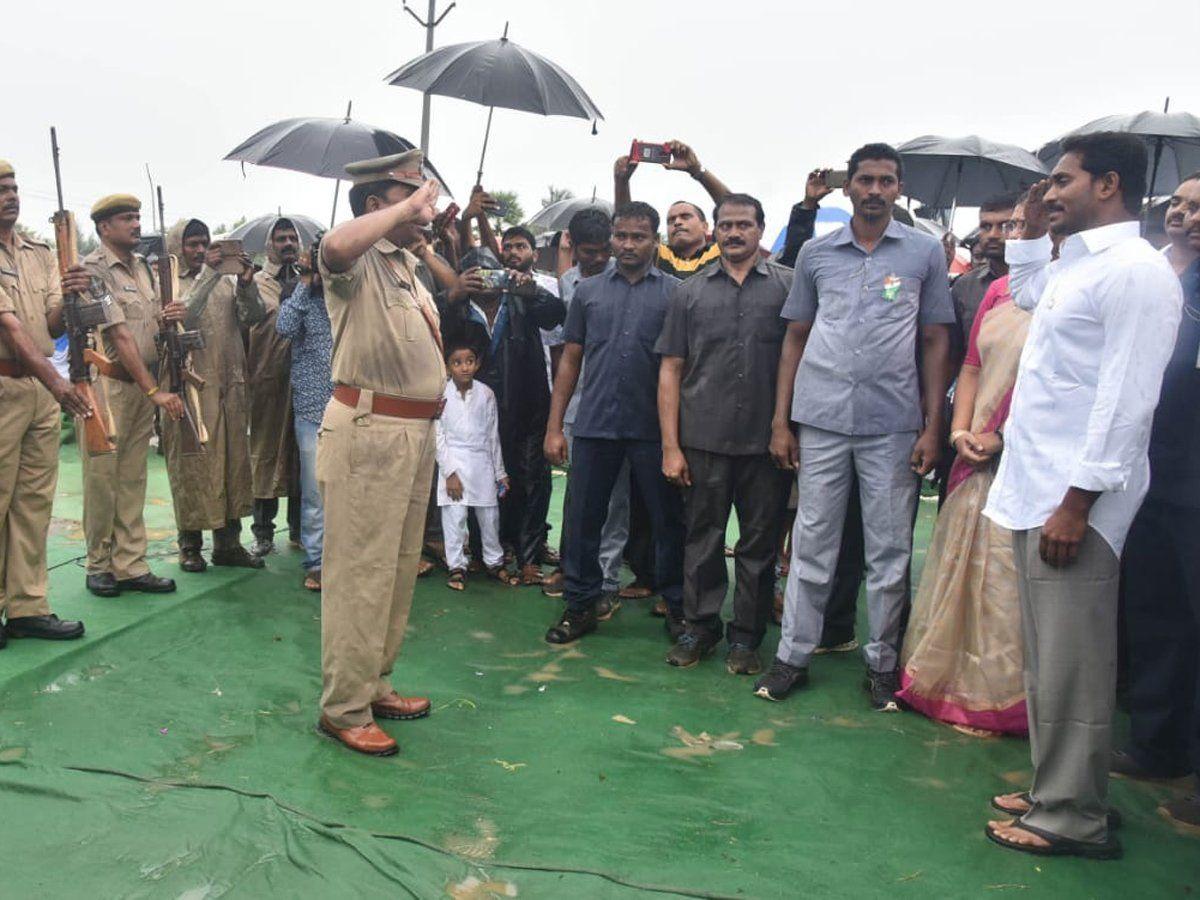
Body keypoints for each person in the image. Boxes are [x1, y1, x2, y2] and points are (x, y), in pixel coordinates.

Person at [982, 133, 1181, 859]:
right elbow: (1031, 297)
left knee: (1075, 664)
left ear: (1108, 185)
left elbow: (1128, 400)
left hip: (1076, 501)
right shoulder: (1080, 264)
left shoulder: (1136, 272)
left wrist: (1078, 501)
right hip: (1040, 488)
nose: (1049, 192)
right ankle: (1056, 786)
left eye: (1061, 182)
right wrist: (1031, 236)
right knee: (1048, 661)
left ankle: (1073, 818)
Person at [756, 143, 955, 710]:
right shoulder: (818, 255)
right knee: (813, 543)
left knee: (890, 552)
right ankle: (792, 655)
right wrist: (780, 421)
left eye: (885, 181)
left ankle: (884, 664)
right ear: (849, 188)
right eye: (864, 180)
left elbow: (936, 339)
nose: (873, 190)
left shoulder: (922, 255)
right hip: (819, 420)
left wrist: (931, 427)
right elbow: (794, 336)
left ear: (898, 189)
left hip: (893, 424)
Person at [314, 150, 443, 757]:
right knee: (359, 573)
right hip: (370, 430)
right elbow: (333, 249)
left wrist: (414, 228)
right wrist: (403, 216)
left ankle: (375, 682)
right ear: (376, 206)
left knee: (394, 568)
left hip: (412, 435)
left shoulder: (404, 267)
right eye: (411, 195)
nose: (426, 204)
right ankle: (343, 707)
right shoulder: (358, 260)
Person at [896, 197, 1032, 736]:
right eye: (1007, 224)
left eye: (1021, 224)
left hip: (1023, 457)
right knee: (959, 564)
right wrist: (960, 430)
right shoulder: (997, 291)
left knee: (1003, 577)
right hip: (973, 446)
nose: (1012, 234)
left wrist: (1001, 435)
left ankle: (999, 694)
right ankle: (943, 677)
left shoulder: (1068, 292)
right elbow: (971, 365)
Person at [657, 193, 791, 674]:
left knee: (759, 544)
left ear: (760, 230)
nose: (735, 234)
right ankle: (699, 628)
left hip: (765, 444)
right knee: (702, 540)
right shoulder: (688, 293)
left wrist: (785, 428)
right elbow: (671, 368)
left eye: (745, 225)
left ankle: (746, 638)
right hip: (703, 441)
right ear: (713, 232)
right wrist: (671, 446)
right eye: (727, 225)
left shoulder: (787, 289)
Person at [544, 202, 685, 644]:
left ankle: (679, 609)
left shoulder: (676, 294)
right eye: (620, 236)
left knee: (666, 522)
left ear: (654, 242)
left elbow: (680, 367)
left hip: (651, 430)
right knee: (584, 520)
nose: (626, 245)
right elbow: (570, 359)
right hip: (594, 425)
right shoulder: (587, 292)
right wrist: (554, 426)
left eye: (637, 237)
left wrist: (673, 441)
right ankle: (581, 604)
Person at [1109, 172, 1200, 831]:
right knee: (1154, 610)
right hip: (1150, 475)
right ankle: (1156, 743)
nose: (1188, 217)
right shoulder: (1148, 271)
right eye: (1182, 204)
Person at [0, 159, 89, 645]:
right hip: (6, 386)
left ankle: (27, 606)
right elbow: (11, 328)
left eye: (14, 187)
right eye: (1, 189)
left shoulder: (36, 252)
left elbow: (50, 324)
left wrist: (69, 296)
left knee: (33, 502)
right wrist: (58, 383)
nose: (11, 195)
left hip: (37, 391)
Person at [438, 245, 565, 586]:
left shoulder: (522, 300)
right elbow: (435, 322)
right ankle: (483, 554)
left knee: (530, 482)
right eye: (476, 274)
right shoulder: (460, 308)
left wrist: (532, 289)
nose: (486, 280)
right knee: (481, 482)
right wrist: (453, 293)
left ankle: (528, 557)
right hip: (477, 413)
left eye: (491, 271)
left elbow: (557, 314)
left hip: (528, 407)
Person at [81, 194, 184, 598]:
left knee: (132, 477)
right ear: (105, 227)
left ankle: (130, 563)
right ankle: (98, 564)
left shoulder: (143, 269)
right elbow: (119, 335)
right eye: (127, 218)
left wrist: (169, 317)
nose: (137, 225)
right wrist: (155, 390)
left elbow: (148, 327)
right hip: (110, 386)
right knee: (103, 478)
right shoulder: (95, 271)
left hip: (142, 387)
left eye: (138, 217)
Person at [163, 217, 264, 572]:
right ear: (179, 246)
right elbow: (184, 317)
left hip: (230, 383)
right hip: (191, 387)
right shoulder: (169, 282)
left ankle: (229, 544)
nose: (199, 250)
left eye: (204, 243)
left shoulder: (225, 280)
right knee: (193, 462)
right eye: (192, 243)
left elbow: (255, 316)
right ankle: (190, 545)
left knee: (233, 462)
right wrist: (209, 273)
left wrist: (247, 285)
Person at [541, 210, 621, 603]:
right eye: (589, 251)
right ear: (573, 245)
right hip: (577, 401)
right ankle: (574, 566)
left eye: (604, 249)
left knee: (615, 500)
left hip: (617, 400)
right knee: (579, 494)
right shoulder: (567, 283)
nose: (599, 258)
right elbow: (565, 351)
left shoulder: (623, 278)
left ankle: (607, 577)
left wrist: (621, 180)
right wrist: (556, 419)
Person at [275, 245, 333, 592]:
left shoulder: (350, 297)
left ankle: (344, 559)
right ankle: (316, 563)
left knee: (351, 490)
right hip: (312, 409)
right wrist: (306, 282)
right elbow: (283, 328)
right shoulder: (303, 298)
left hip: (351, 407)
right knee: (314, 492)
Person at [437, 334, 510, 591]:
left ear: (477, 364)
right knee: (455, 517)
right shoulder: (440, 394)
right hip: (453, 461)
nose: (464, 366)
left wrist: (500, 473)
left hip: (482, 462)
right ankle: (456, 566)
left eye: (469, 361)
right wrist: (449, 472)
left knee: (489, 516)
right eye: (457, 362)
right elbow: (438, 436)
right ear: (447, 366)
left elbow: (493, 436)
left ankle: (494, 562)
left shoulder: (486, 394)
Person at [248, 218, 301, 557]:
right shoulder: (254, 284)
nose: (287, 244)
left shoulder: (310, 282)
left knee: (302, 460)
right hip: (265, 384)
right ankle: (263, 532)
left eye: (292, 238)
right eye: (280, 238)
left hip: (303, 385)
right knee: (264, 456)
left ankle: (299, 530)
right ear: (269, 246)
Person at [613, 140, 729, 278]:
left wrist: (697, 171)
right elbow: (626, 223)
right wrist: (621, 182)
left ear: (705, 226)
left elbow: (735, 209)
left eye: (685, 216)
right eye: (670, 220)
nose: (677, 222)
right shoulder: (659, 254)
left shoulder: (721, 249)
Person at [951, 194, 1018, 342]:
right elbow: (954, 351)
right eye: (986, 227)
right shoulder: (965, 287)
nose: (993, 235)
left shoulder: (1042, 281)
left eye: (1005, 226)